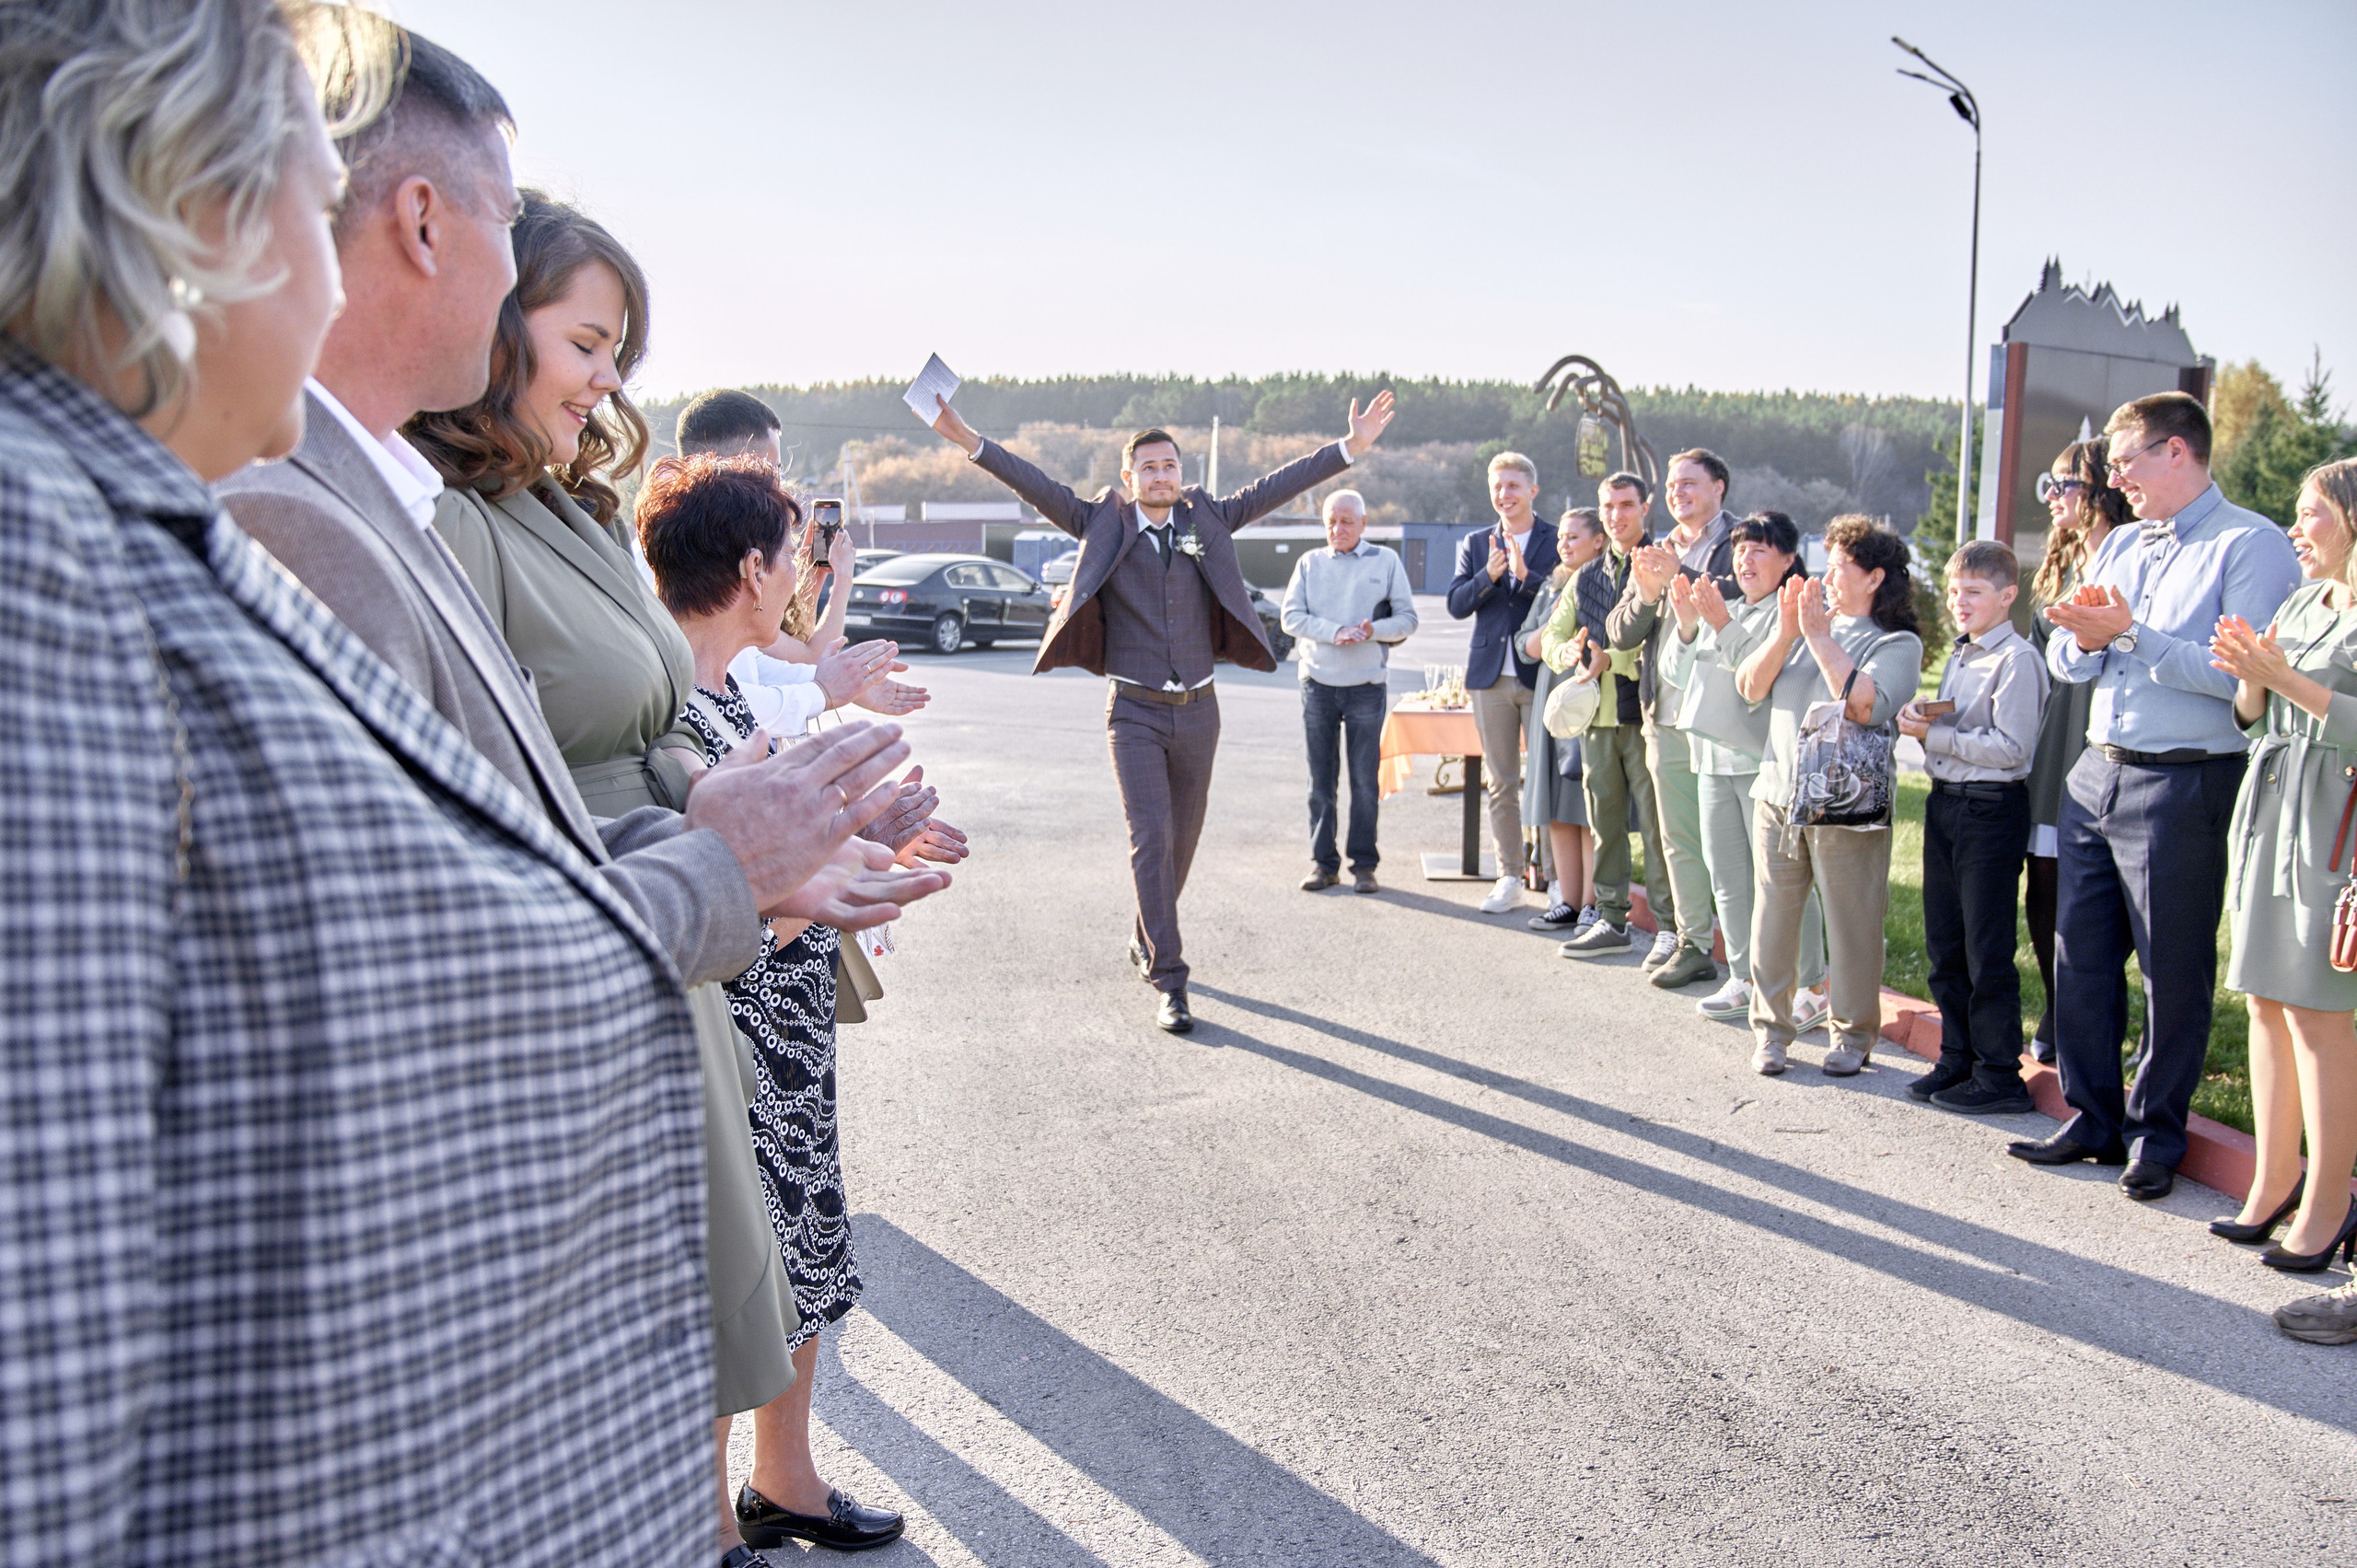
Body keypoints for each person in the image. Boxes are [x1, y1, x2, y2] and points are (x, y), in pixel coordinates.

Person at [0, 5, 889, 1558]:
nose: (330, 240)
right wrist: (711, 870)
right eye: (304, 182)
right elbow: (51, 1334)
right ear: (205, 196)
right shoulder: (48, 548)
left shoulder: (123, 515)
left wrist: (742, 848)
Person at [642, 454, 957, 1553]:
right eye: (790, 552)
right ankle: (705, 1519)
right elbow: (730, 883)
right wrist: (827, 877)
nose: (801, 574)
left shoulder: (733, 689)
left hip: (787, 1016)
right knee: (736, 1271)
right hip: (730, 1016)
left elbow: (788, 853)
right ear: (748, 567)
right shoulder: (673, 701)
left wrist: (877, 838)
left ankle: (785, 1479)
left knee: (805, 1246)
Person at [928, 392, 1396, 1031]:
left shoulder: (1209, 516)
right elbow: (1033, 482)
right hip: (1134, 712)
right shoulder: (1099, 521)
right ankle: (1170, 980)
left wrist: (1352, 447)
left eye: (1170, 465)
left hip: (1201, 711)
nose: (1161, 476)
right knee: (1151, 839)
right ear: (1130, 479)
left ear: (1182, 473)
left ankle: (1146, 929)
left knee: (1181, 844)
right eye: (1148, 467)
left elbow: (1283, 483)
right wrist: (967, 438)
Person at [2014, 392, 2301, 1200]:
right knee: (2081, 955)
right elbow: (2074, 662)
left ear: (2179, 451)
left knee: (2171, 968)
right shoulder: (2125, 543)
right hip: (2096, 769)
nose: (2113, 476)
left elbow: (2237, 675)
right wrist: (2081, 637)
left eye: (2125, 457)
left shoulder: (2252, 543)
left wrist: (2129, 637)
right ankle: (2094, 1115)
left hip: (2183, 778)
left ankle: (2157, 1134)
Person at [2206, 458, 2357, 1277]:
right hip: (2273, 809)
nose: (2296, 529)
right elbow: (2250, 714)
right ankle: (2274, 1179)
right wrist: (2250, 682)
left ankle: (2332, 1202)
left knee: (2317, 1014)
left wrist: (2282, 679)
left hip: (2337, 825)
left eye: (2312, 514)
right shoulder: (2302, 601)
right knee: (2265, 1000)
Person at [1736, 516, 1925, 1077]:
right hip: (1778, 797)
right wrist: (1787, 634)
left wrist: (1819, 637)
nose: (1827, 577)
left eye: (1840, 567)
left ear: (1875, 578)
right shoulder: (1800, 625)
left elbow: (1867, 704)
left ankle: (1852, 1034)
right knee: (1772, 922)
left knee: (1853, 924)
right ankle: (1770, 1032)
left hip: (1848, 807)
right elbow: (1749, 686)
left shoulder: (1897, 643)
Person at [673, 389, 928, 734]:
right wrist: (821, 691)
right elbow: (705, 700)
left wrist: (842, 683)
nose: (778, 486)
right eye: (770, 471)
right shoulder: (678, 558)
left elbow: (759, 669)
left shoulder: (710, 543)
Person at [1660, 511, 1829, 1028]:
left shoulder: (1791, 617)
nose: (1746, 558)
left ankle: (1813, 983)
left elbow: (1756, 678)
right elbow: (1674, 672)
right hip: (1711, 758)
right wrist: (1689, 627)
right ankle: (1743, 976)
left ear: (1787, 559)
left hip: (1763, 763)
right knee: (1728, 878)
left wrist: (1719, 625)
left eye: (1760, 549)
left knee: (1781, 880)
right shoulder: (1723, 610)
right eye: (1740, 548)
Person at [1897, 541, 2049, 1113]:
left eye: (1975, 593)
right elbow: (1964, 724)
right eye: (1955, 592)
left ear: (2007, 596)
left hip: (1990, 809)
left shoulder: (2017, 661)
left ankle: (1999, 1074)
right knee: (1946, 942)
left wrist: (1931, 737)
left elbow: (2011, 749)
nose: (1960, 603)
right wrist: (1926, 714)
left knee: (1987, 948)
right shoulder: (1963, 655)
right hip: (1947, 804)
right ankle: (1957, 1057)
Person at [1610, 449, 1740, 989]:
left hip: (1727, 719)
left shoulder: (1745, 543)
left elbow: (1745, 602)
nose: (1677, 493)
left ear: (1719, 488)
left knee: (1731, 842)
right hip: (1664, 714)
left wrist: (1679, 577)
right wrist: (1645, 592)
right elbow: (1620, 632)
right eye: (1670, 486)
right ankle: (1692, 943)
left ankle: (1746, 954)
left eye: (1689, 483)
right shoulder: (1653, 552)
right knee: (1678, 838)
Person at [2022, 440, 2131, 1062]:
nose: (2054, 496)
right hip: (2053, 736)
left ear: (2102, 490)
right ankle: (2058, 1007)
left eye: (2067, 483)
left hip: (2106, 735)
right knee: (2044, 882)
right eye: (2052, 483)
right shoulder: (2061, 564)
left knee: (2099, 894)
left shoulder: (2131, 561)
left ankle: (2091, 1017)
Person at [1552, 472, 1671, 958]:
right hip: (1596, 721)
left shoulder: (1662, 564)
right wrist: (1574, 655)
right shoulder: (1585, 575)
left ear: (1645, 508)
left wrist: (1612, 660)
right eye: (1608, 507)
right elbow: (1554, 639)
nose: (1617, 515)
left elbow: (1667, 643)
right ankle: (1611, 918)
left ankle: (1669, 926)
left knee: (1662, 829)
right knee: (1605, 827)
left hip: (1646, 716)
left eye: (1626, 505)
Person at [1281, 488, 1419, 893]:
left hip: (1366, 687)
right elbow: (1291, 616)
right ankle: (1323, 864)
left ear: (1363, 524)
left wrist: (1376, 630)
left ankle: (1364, 865)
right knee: (1320, 781)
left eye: (1346, 521)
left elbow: (1408, 619)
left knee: (1364, 782)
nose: (1337, 529)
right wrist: (1333, 632)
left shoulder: (1386, 561)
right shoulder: (1309, 563)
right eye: (1330, 522)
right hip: (1318, 685)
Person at [1446, 451, 1563, 913]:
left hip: (1541, 675)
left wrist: (1524, 576)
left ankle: (1554, 877)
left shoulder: (1556, 539)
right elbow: (1457, 604)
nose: (1504, 495)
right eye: (1497, 487)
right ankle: (1509, 875)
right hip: (1490, 676)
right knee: (1502, 782)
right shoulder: (1477, 543)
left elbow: (1562, 594)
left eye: (1513, 486)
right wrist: (1487, 576)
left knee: (1546, 781)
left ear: (1532, 490)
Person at [1522, 510, 1607, 932]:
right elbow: (1527, 644)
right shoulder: (1553, 583)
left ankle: (1592, 902)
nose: (1564, 545)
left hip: (1586, 697)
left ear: (1598, 541)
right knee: (1555, 803)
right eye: (1561, 538)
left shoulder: (1604, 583)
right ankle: (1567, 900)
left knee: (1583, 805)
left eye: (1574, 537)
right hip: (1549, 699)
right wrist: (1552, 620)